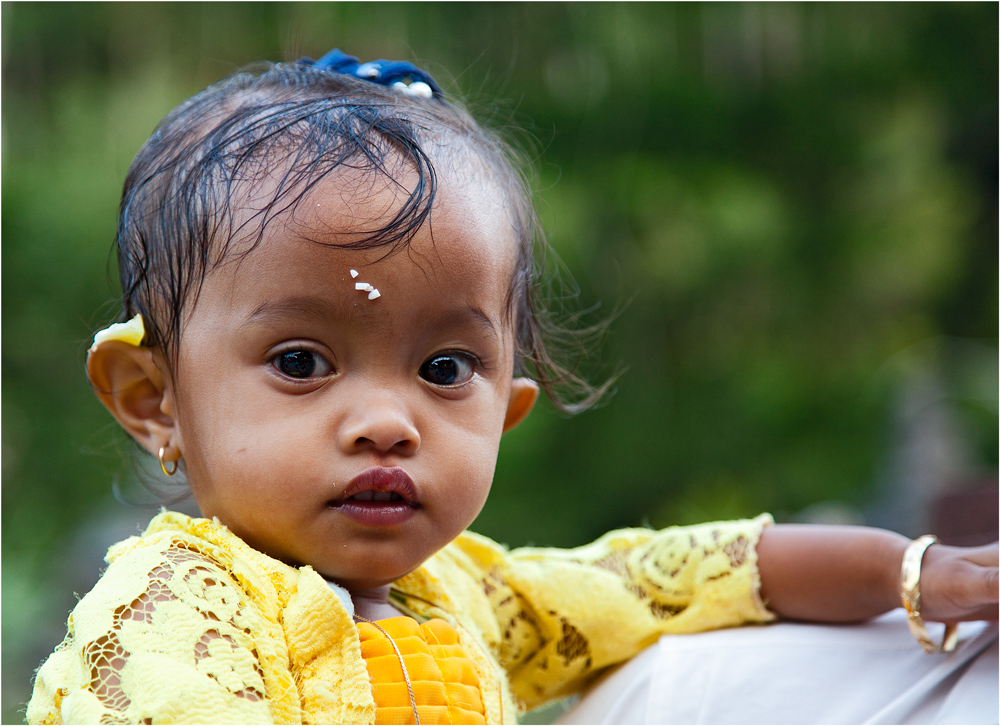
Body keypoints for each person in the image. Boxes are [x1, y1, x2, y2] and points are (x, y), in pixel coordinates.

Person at [27, 50, 997, 725]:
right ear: (154, 398)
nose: (384, 422)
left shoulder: (466, 598)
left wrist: (911, 575)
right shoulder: (173, 616)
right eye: (301, 363)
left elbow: (676, 580)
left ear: (504, 410)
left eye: (444, 370)